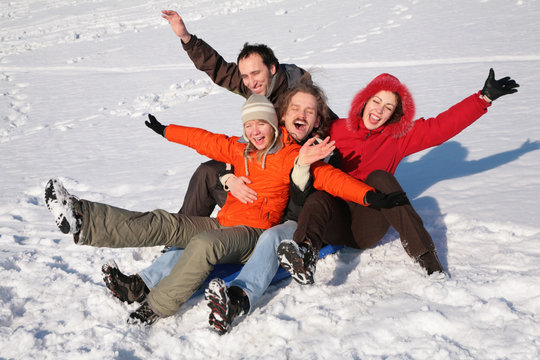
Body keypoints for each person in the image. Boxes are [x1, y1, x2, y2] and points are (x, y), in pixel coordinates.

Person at [45, 94, 400, 325]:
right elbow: (202, 139)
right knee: (163, 223)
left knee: (202, 247)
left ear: (273, 125)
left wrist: (370, 196)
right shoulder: (239, 150)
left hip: (253, 235)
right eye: (249, 125)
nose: (255, 130)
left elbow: (331, 180)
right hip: (222, 223)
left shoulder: (291, 156)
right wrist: (167, 130)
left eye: (261, 123)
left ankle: (157, 306)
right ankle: (82, 219)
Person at [275, 68, 519, 285]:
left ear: (394, 114)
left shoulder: (398, 137)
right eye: (376, 101)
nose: (379, 110)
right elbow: (299, 122)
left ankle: (428, 259)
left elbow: (441, 127)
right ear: (364, 101)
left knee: (381, 177)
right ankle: (305, 255)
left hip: (367, 226)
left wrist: (483, 99)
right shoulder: (337, 128)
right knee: (318, 197)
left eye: (388, 107)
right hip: (334, 222)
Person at [161, 9, 338, 216]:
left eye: (255, 73)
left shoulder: (298, 93)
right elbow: (219, 69)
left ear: (272, 68)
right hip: (262, 161)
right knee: (207, 172)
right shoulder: (256, 86)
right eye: (245, 75)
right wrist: (186, 38)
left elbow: (326, 125)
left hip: (287, 182)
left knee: (220, 175)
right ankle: (178, 237)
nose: (251, 81)